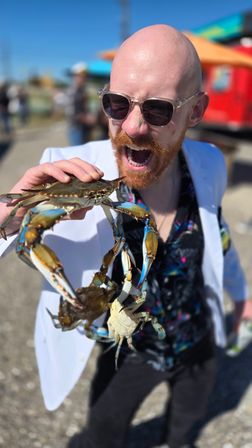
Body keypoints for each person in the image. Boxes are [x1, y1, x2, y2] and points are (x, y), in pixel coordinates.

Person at [0, 24, 251, 448]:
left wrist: (241, 295)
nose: (132, 127)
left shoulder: (208, 163)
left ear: (195, 111)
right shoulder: (66, 170)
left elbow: (218, 234)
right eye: (117, 104)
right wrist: (9, 212)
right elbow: (17, 230)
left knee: (186, 425)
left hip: (197, 337)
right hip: (127, 348)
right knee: (102, 435)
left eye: (157, 109)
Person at [66, 62, 96, 145]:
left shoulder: (82, 90)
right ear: (75, 76)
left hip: (83, 127)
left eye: (85, 77)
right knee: (77, 152)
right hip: (76, 127)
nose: (84, 79)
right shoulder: (73, 91)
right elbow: (72, 113)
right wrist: (86, 118)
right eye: (81, 76)